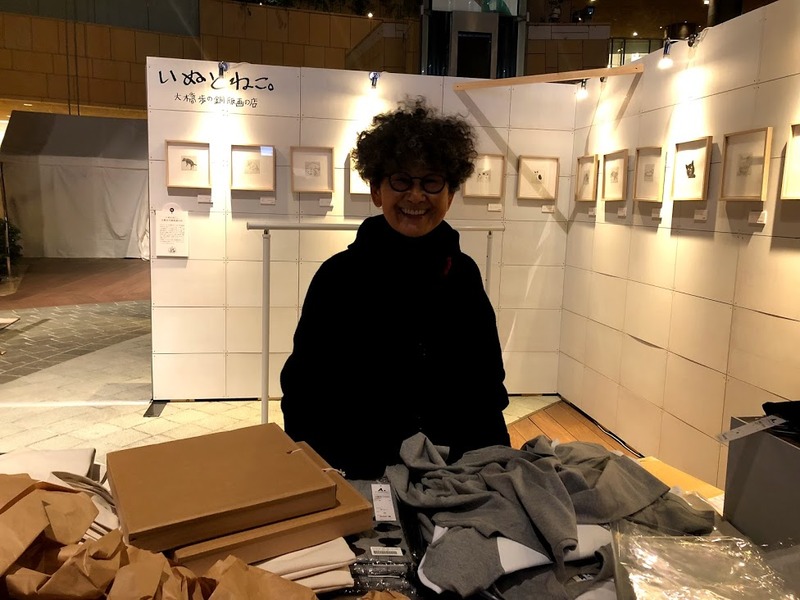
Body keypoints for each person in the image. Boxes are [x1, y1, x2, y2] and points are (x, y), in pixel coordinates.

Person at [280, 97, 511, 480]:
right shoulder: (338, 277)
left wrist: (494, 467)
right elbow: (304, 390)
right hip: (361, 468)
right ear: (377, 190)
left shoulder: (463, 274)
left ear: (450, 194)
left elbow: (486, 385)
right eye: (401, 180)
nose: (416, 196)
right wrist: (323, 472)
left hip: (454, 470)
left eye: (431, 181)